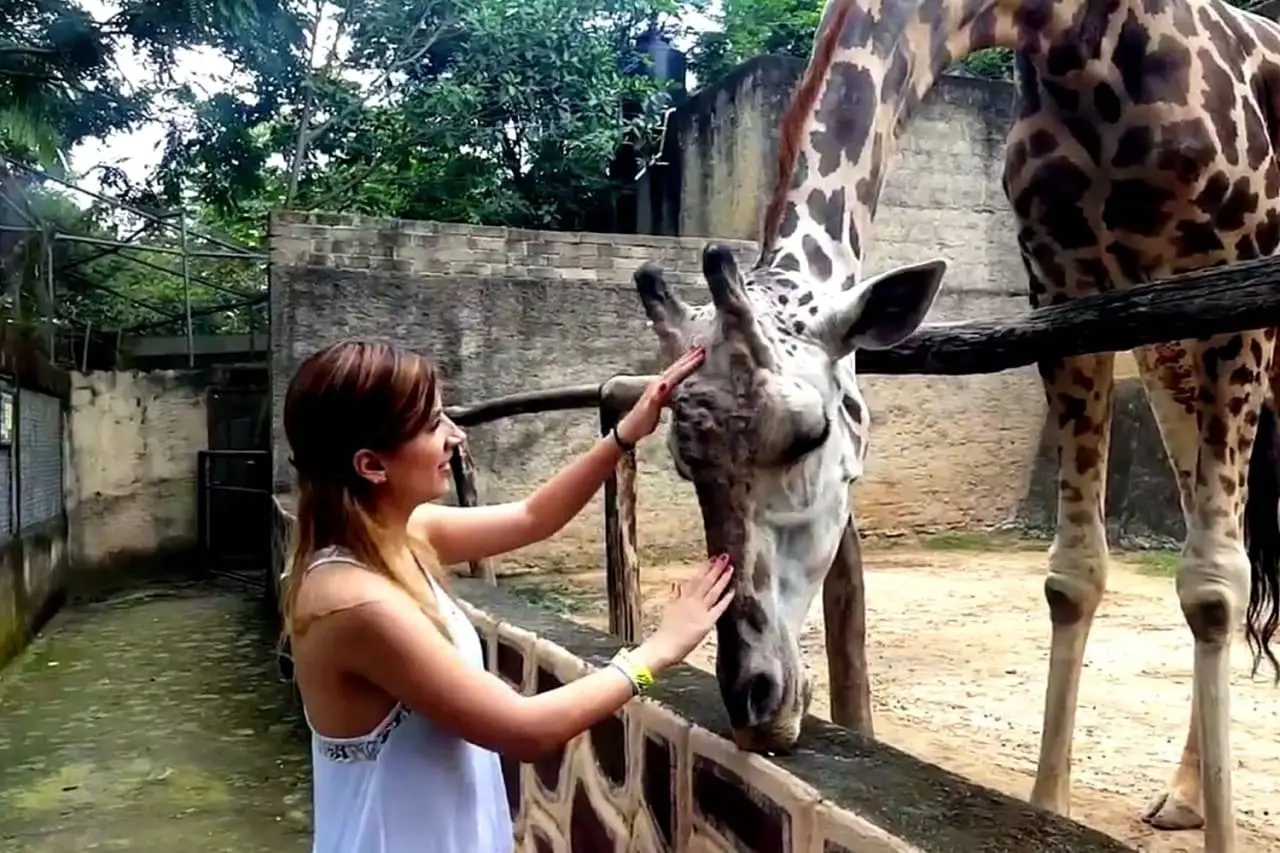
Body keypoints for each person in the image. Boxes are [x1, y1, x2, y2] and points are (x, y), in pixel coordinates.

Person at [280, 339, 733, 853]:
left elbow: (533, 518)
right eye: (432, 425)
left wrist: (625, 434)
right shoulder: (357, 602)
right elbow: (524, 730)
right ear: (371, 465)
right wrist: (657, 653)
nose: (454, 435)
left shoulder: (401, 537)